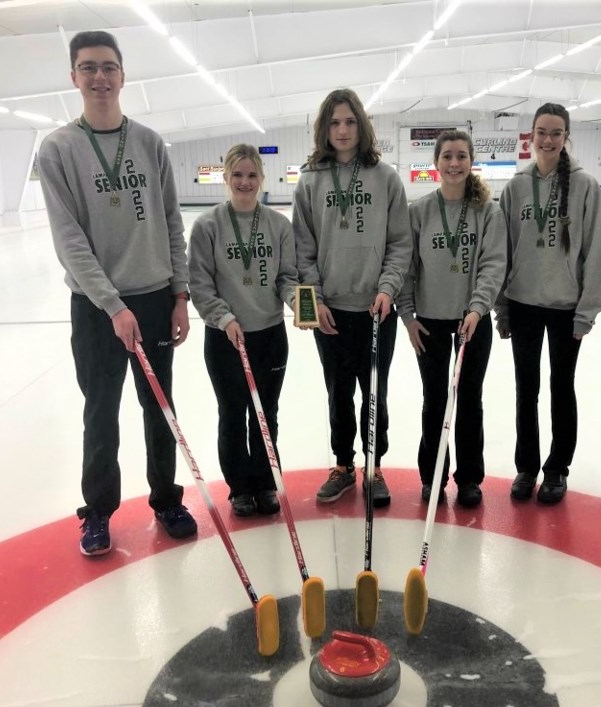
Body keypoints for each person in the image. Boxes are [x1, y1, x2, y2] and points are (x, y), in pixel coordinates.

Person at [38, 30, 197, 556]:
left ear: (124, 76)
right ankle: (99, 512)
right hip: (96, 308)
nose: (100, 76)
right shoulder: (59, 148)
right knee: (100, 411)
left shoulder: (150, 143)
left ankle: (167, 500)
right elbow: (70, 240)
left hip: (154, 298)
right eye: (89, 68)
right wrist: (112, 306)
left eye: (109, 67)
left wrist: (180, 295)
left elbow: (172, 221)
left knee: (160, 409)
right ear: (74, 78)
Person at [292, 88, 411, 508]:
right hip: (331, 312)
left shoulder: (386, 178)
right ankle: (343, 465)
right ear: (324, 129)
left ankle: (374, 468)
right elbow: (302, 249)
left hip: (376, 309)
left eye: (349, 121)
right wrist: (315, 300)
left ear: (362, 125)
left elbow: (400, 242)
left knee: (375, 394)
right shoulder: (309, 180)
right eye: (334, 122)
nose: (342, 130)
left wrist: (387, 288)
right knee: (338, 393)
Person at [495, 103, 601, 506]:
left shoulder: (586, 186)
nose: (548, 139)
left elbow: (593, 251)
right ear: (531, 136)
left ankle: (557, 469)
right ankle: (527, 466)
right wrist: (501, 307)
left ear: (566, 137)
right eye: (541, 131)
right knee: (527, 389)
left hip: (565, 307)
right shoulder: (516, 186)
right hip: (523, 302)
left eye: (556, 133)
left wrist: (587, 310)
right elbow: (502, 251)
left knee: (562, 388)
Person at [398, 130, 507, 508]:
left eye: (461, 156)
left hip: (470, 321)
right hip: (429, 321)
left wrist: (478, 309)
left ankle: (470, 479)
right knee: (434, 401)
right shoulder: (419, 212)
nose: (454, 163)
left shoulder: (487, 212)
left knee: (470, 401)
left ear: (471, 161)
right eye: (447, 156)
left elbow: (493, 266)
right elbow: (406, 269)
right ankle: (433, 477)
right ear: (436, 163)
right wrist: (408, 316)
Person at [188, 145, 298, 517]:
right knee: (232, 412)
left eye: (252, 175)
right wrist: (224, 318)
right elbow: (200, 285)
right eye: (238, 175)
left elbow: (287, 278)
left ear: (262, 179)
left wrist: (299, 302)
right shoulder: (208, 226)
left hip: (268, 335)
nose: (245, 182)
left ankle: (266, 482)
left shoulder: (279, 225)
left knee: (266, 413)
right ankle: (240, 487)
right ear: (226, 178)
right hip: (225, 337)